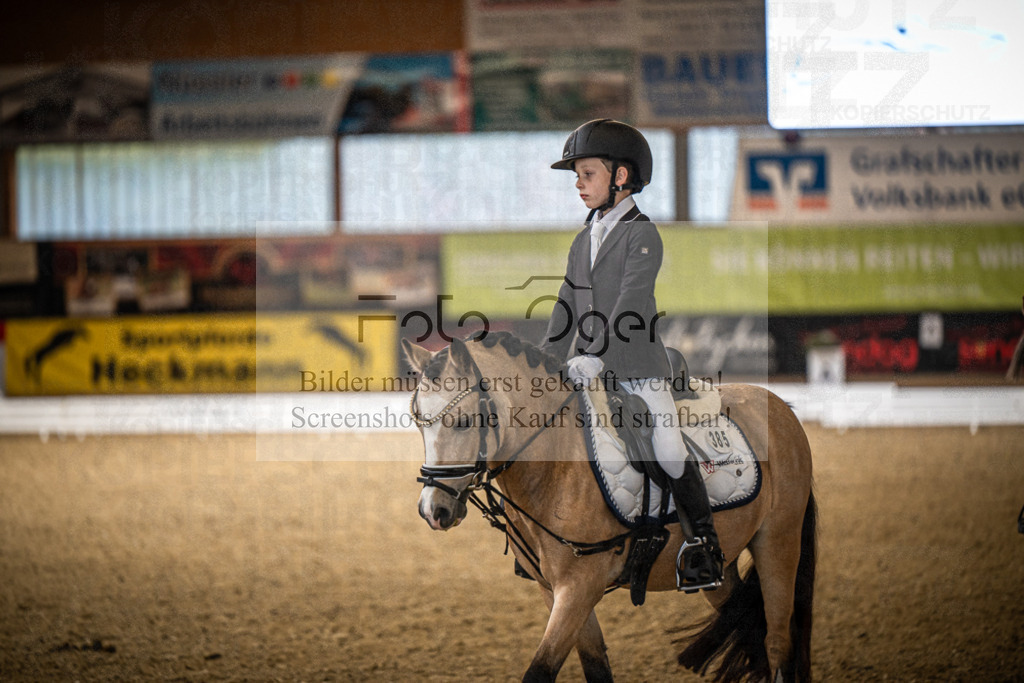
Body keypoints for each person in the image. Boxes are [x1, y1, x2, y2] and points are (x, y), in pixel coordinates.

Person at [541, 118, 725, 591]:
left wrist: (597, 354)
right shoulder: (584, 238)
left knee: (665, 447)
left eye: (588, 175)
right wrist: (543, 361)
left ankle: (703, 543)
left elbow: (628, 303)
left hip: (639, 370)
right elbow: (566, 303)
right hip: (590, 370)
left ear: (620, 177)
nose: (579, 185)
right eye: (577, 177)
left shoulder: (643, 234)